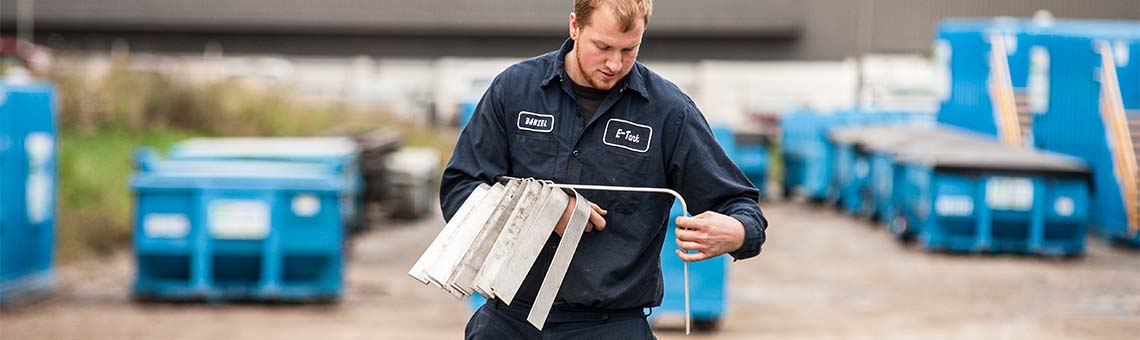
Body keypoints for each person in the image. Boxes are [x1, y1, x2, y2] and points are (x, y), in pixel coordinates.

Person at [439, 0, 768, 338]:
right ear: (574, 27)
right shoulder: (514, 91)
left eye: (630, 49)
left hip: (611, 326)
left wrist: (738, 231)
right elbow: (461, 188)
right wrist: (544, 211)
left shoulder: (669, 112)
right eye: (603, 47)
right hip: (508, 321)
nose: (615, 63)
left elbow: (739, 205)